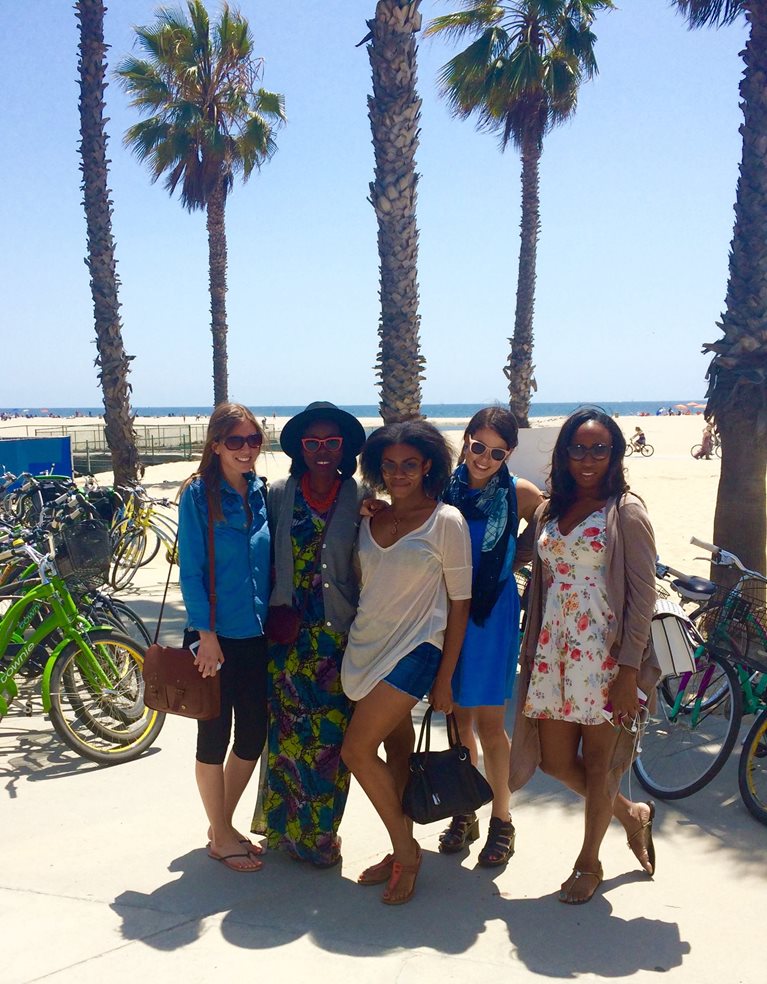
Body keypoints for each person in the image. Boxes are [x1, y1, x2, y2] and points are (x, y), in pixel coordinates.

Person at [508, 406, 660, 904]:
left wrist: (628, 671)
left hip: (606, 656)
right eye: (579, 447)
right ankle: (631, 814)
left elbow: (643, 597)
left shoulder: (627, 511)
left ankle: (588, 861)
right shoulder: (550, 510)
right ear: (565, 453)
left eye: (600, 448)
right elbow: (521, 556)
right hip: (554, 651)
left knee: (599, 764)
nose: (588, 457)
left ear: (615, 453)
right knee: (554, 762)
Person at [340, 421, 472, 905]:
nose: (399, 474)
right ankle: (399, 846)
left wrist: (445, 678)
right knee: (395, 758)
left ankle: (406, 851)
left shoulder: (446, 522)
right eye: (390, 465)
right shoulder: (369, 518)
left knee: (356, 751)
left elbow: (460, 603)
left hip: (417, 650)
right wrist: (364, 510)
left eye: (409, 465)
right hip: (365, 647)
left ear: (428, 467)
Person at [254, 402, 366, 867]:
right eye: (313, 443)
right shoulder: (279, 493)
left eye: (332, 443)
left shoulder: (357, 499)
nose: (322, 451)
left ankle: (320, 835)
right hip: (286, 637)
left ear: (344, 449)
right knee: (285, 736)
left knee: (329, 742)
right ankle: (282, 829)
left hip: (337, 640)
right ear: (300, 448)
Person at [437, 407, 544, 866]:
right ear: (466, 442)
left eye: (497, 452)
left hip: (491, 613)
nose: (484, 458)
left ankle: (502, 818)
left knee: (488, 722)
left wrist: (511, 561)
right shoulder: (443, 488)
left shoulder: (519, 492)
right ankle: (466, 810)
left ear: (509, 454)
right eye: (478, 447)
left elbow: (545, 523)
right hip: (444, 609)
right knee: (456, 717)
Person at [177, 403, 270, 873]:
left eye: (253, 439)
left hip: (256, 632)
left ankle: (222, 827)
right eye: (235, 441)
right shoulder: (198, 495)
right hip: (214, 636)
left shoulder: (262, 492)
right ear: (215, 445)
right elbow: (191, 571)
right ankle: (222, 834)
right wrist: (206, 634)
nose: (246, 449)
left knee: (253, 732)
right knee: (213, 735)